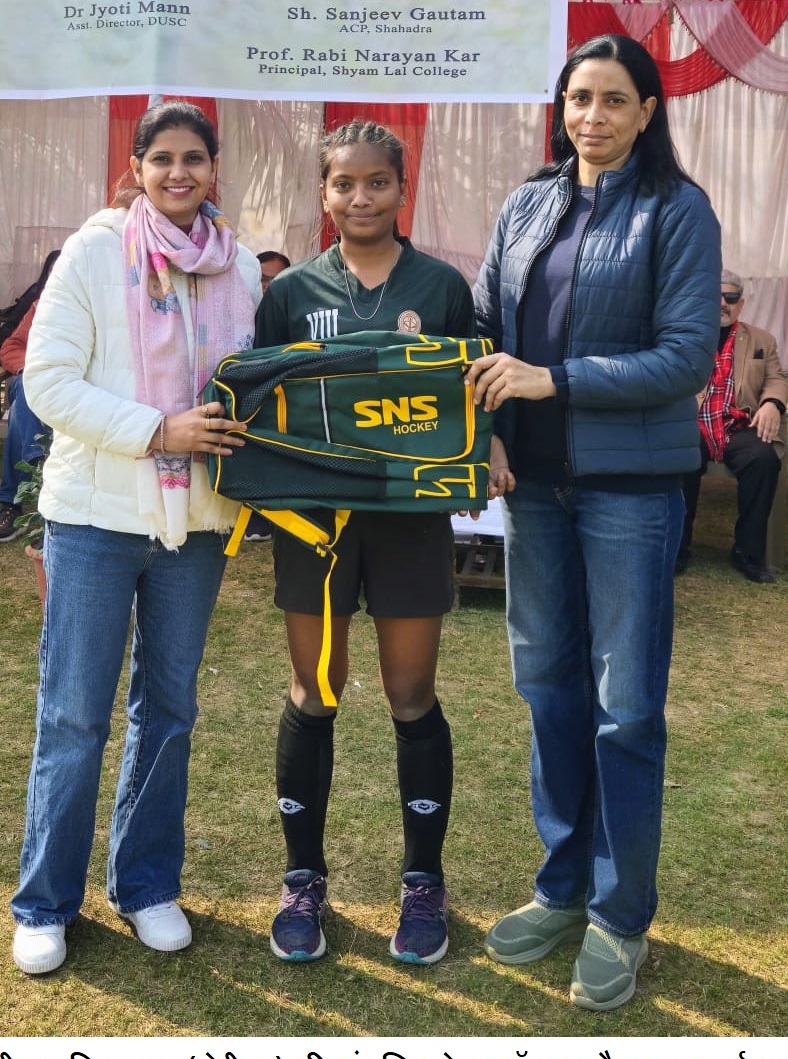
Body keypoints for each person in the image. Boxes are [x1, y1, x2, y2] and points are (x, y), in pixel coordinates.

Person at [468, 33, 720, 1011]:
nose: (593, 116)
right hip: (532, 489)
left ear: (647, 111)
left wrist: (553, 379)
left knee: (625, 708)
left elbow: (684, 358)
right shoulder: (528, 203)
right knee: (547, 690)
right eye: (579, 98)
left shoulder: (676, 209)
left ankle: (619, 915)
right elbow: (485, 328)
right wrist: (488, 430)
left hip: (630, 492)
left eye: (614, 99)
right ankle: (561, 887)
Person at [10, 100, 261, 975]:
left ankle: (147, 884)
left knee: (170, 708)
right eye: (163, 159)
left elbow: (252, 387)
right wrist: (159, 430)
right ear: (137, 168)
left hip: (197, 524)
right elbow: (48, 382)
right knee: (75, 712)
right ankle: (45, 903)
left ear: (214, 168)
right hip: (96, 517)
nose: (179, 173)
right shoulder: (94, 251)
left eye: (194, 158)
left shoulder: (239, 267)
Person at [254, 119, 479, 967]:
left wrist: (486, 452)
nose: (360, 197)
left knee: (410, 693)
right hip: (315, 522)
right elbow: (262, 401)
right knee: (316, 688)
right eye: (343, 183)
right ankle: (302, 879)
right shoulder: (289, 293)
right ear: (324, 193)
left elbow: (470, 389)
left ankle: (423, 882)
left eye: (377, 182)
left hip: (409, 521)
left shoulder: (441, 287)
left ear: (401, 189)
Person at [678, 269, 788, 583]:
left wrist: (772, 403)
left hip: (738, 424)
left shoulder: (761, 340)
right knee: (680, 457)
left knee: (763, 460)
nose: (722, 304)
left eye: (730, 297)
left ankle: (748, 553)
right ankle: (677, 548)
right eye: (715, 297)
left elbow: (777, 379)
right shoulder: (684, 336)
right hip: (693, 422)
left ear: (741, 303)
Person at [0, 251, 61, 543]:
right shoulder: (40, 307)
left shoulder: (100, 312)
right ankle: (33, 466)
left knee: (20, 412)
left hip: (70, 391)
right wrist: (32, 369)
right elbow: (11, 347)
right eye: (53, 274)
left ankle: (15, 505)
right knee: (27, 390)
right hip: (34, 381)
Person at [241, 249, 293, 542]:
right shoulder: (238, 314)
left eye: (277, 280)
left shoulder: (291, 314)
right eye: (263, 279)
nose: (268, 287)